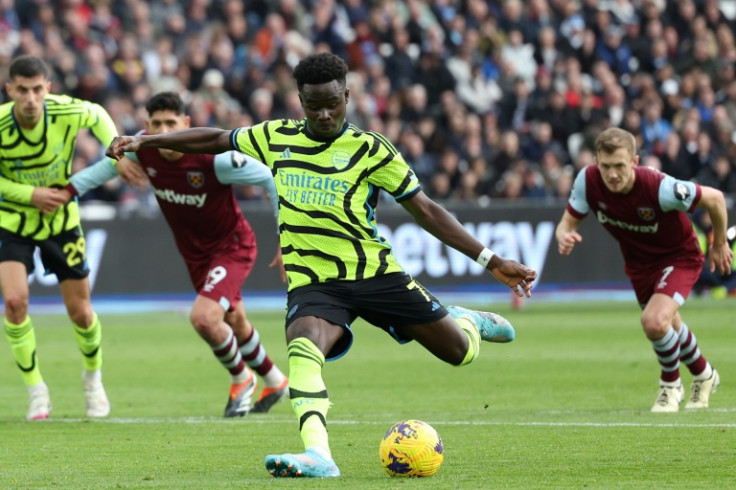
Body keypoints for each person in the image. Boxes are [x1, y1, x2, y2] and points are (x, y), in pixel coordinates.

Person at [105, 53, 537, 478]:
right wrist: (145, 142)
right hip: (315, 283)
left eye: (334, 103)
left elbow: (426, 210)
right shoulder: (276, 137)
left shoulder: (371, 150)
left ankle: (464, 322)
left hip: (374, 274)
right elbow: (217, 138)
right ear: (300, 101)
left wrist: (491, 260)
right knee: (303, 346)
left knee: (458, 354)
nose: (325, 114)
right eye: (314, 106)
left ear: (347, 95)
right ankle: (318, 455)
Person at [62, 92, 289, 417]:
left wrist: (285, 237)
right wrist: (63, 194)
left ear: (186, 124)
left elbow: (270, 179)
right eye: (157, 125)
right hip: (195, 255)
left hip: (232, 246)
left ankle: (242, 378)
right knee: (234, 321)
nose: (164, 131)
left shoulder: (215, 158)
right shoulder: (143, 150)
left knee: (204, 318)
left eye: (172, 123)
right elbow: (99, 173)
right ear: (147, 127)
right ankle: (275, 379)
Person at [555, 127, 733, 413]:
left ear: (635, 162)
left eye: (620, 167)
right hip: (639, 265)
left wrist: (720, 243)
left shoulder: (658, 187)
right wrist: (563, 235)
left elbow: (715, 199)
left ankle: (670, 386)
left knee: (653, 321)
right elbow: (567, 223)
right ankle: (704, 373)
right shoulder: (587, 182)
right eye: (605, 167)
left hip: (679, 256)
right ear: (596, 162)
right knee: (669, 324)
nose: (612, 174)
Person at [0, 55, 114, 420]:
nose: (31, 98)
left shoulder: (66, 111)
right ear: (10, 91)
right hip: (14, 220)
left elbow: (97, 114)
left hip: (61, 220)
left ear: (47, 89)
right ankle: (37, 391)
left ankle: (93, 379)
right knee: (15, 303)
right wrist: (29, 195)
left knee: (81, 313)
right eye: (23, 90)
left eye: (37, 89)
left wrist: (115, 146)